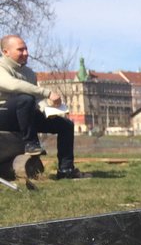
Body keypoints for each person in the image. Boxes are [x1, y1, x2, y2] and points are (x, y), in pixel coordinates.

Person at [0, 35, 89, 179]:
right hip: (4, 115)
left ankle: (66, 170)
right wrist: (47, 92)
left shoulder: (29, 73)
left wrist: (48, 109)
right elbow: (14, 85)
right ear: (6, 52)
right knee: (24, 98)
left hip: (26, 113)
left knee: (65, 125)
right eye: (20, 50)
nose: (26, 53)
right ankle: (31, 143)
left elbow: (36, 99)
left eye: (26, 49)